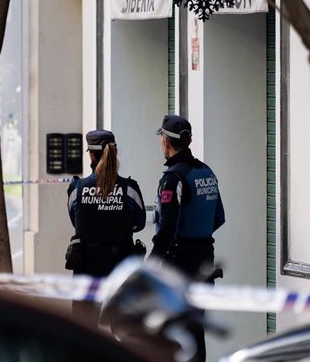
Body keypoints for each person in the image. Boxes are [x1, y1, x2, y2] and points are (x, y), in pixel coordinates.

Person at [150, 114, 225, 362]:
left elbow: (167, 229)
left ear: (166, 142)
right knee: (195, 329)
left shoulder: (174, 178)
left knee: (175, 331)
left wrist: (150, 265)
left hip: (178, 266)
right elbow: (218, 218)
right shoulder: (206, 171)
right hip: (204, 261)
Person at [65, 129, 146, 325]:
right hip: (121, 271)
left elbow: (76, 222)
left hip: (86, 272)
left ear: (91, 155)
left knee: (84, 337)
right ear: (115, 153)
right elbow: (140, 223)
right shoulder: (130, 189)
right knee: (125, 336)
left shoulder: (77, 189)